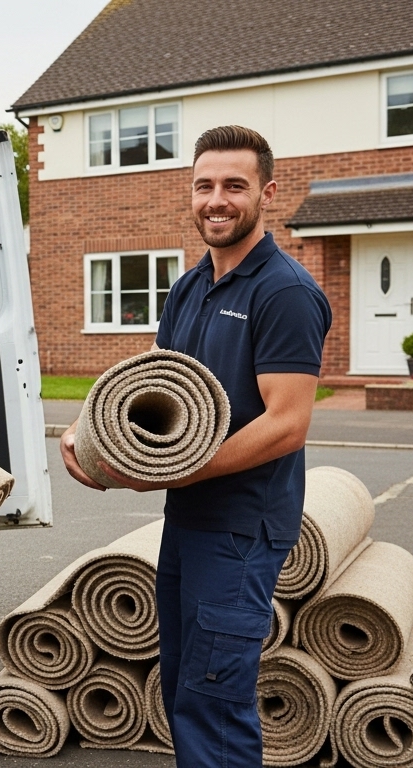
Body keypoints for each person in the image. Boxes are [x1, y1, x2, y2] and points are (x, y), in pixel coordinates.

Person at [60, 125, 331, 766]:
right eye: (204, 185)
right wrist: (88, 433)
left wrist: (173, 474)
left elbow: (287, 423)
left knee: (214, 703)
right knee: (186, 686)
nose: (216, 200)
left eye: (234, 185)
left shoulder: (285, 292)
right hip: (188, 520)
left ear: (266, 193)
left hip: (240, 530)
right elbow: (150, 382)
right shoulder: (189, 286)